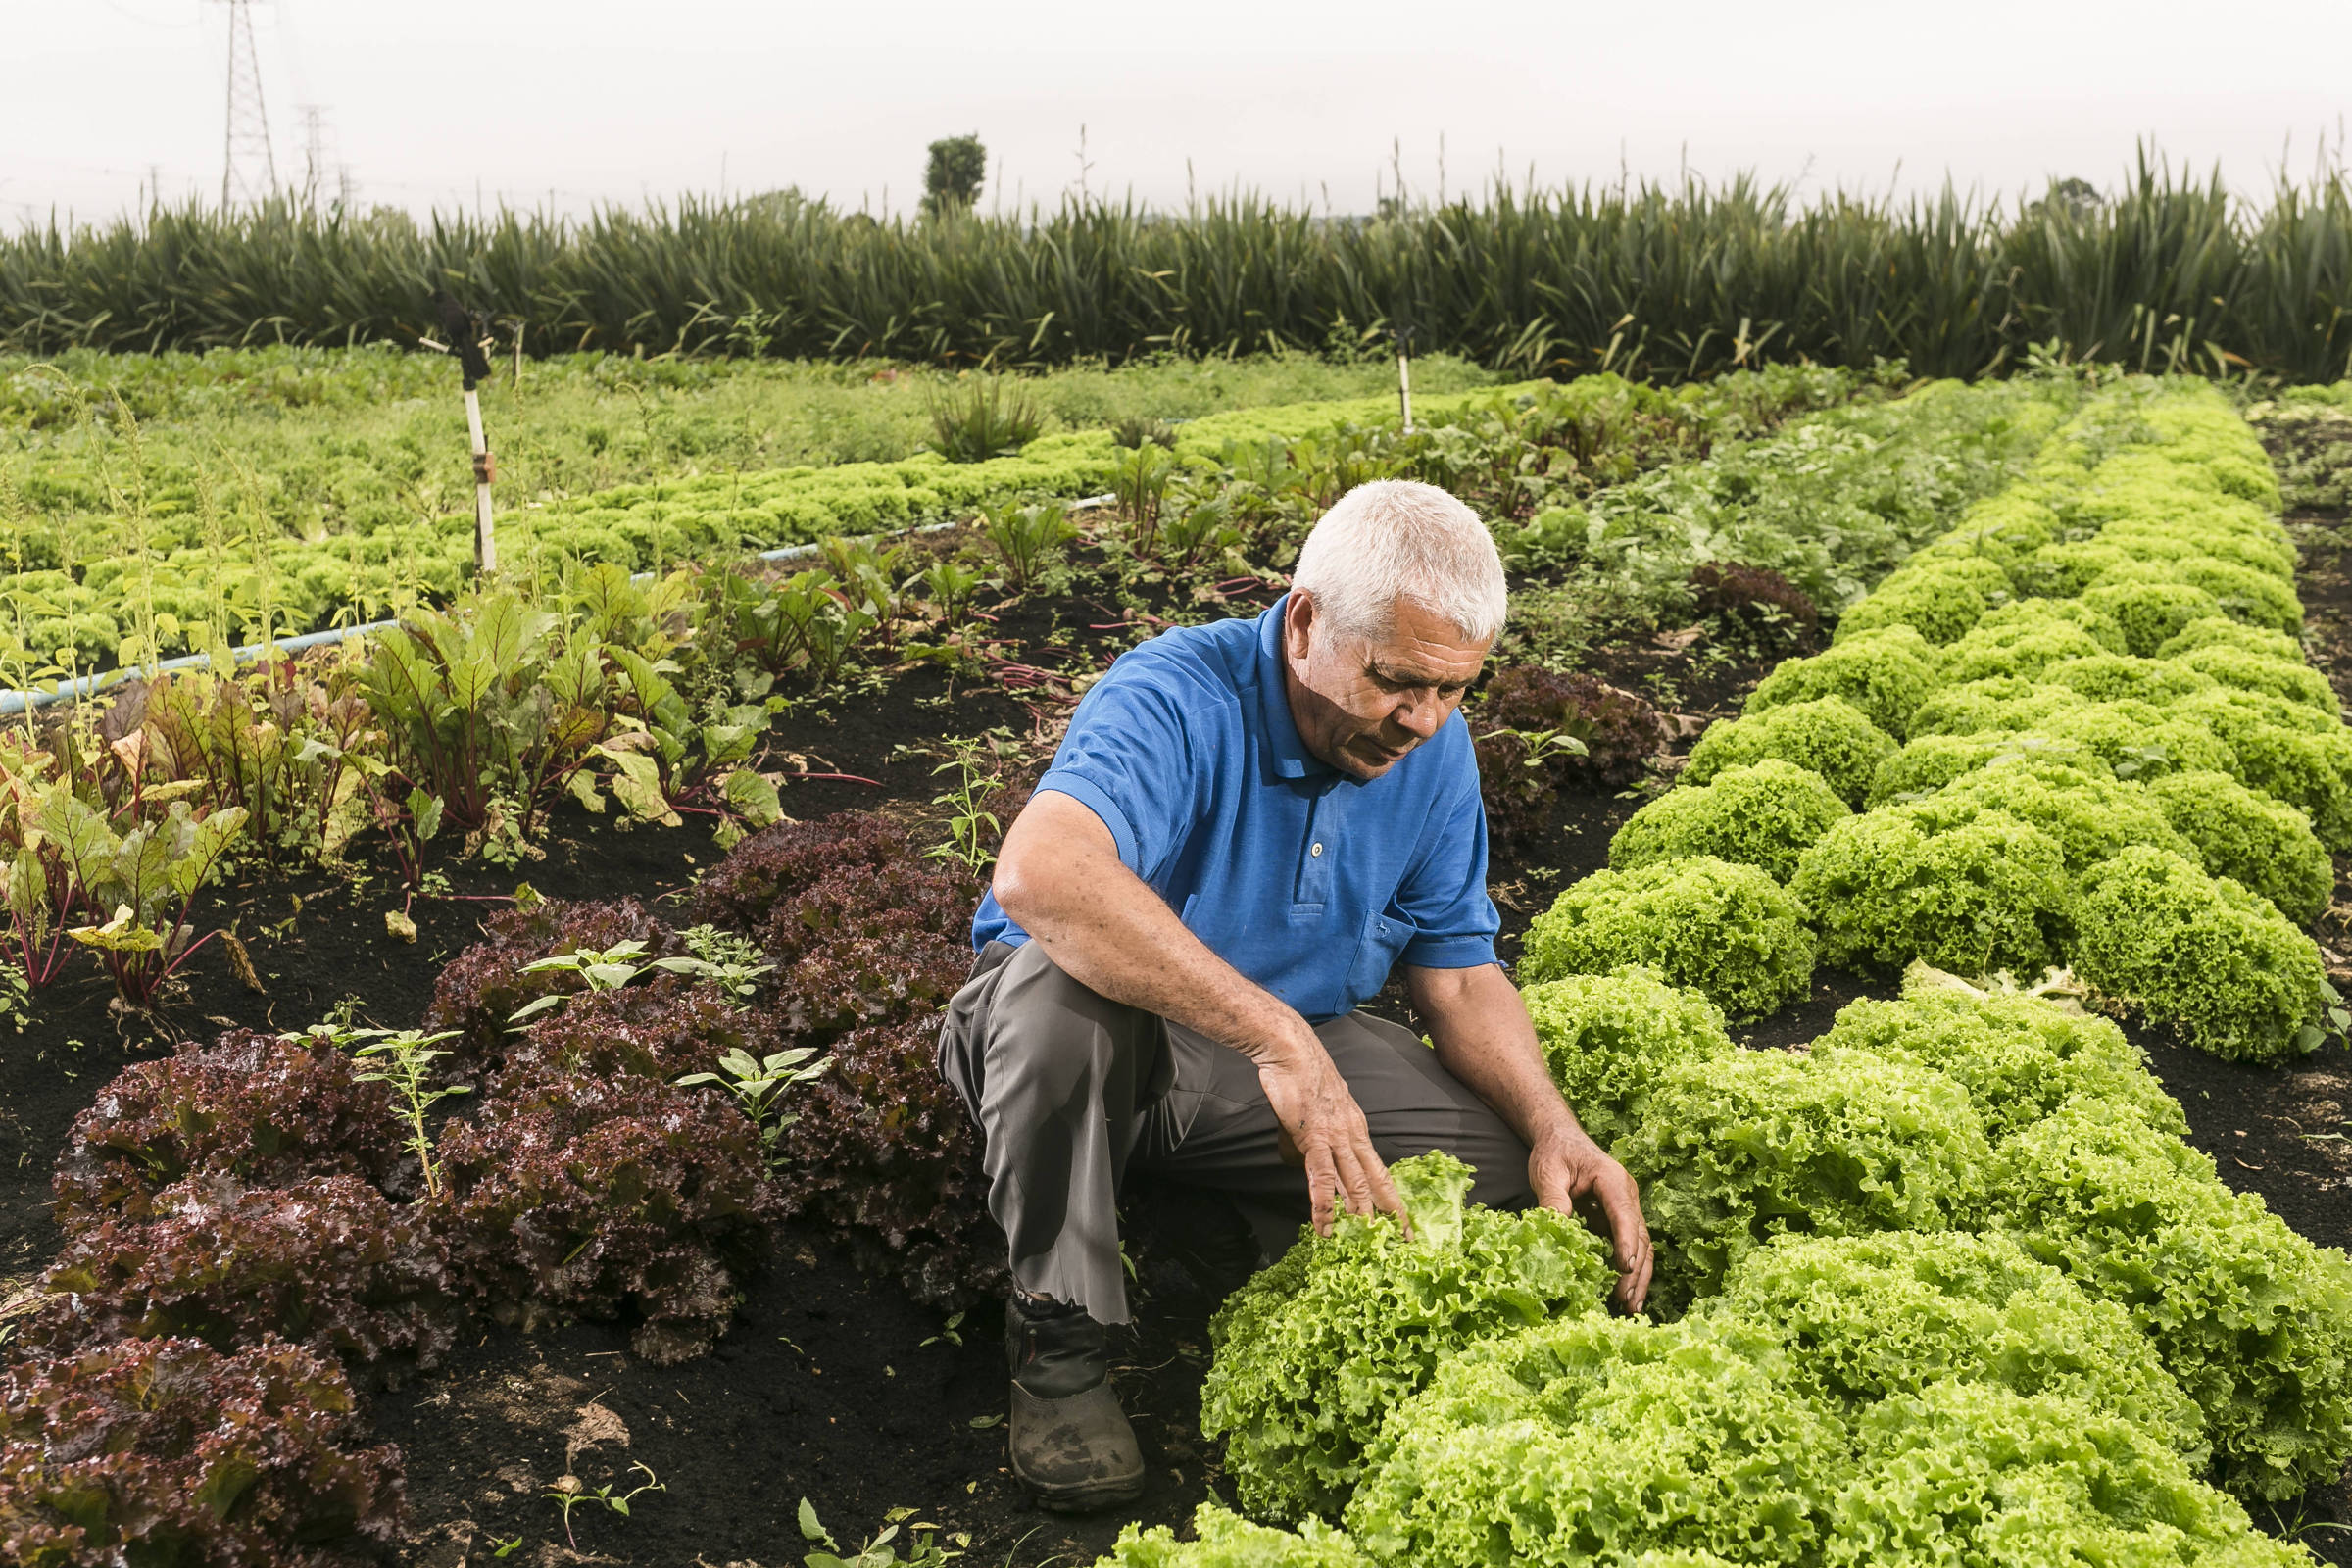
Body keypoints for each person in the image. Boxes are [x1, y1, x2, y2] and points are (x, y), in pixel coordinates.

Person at [935, 478, 1652, 1511]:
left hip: (1276, 1053)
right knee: (1056, 1005)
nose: (1424, 719)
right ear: (1307, 620)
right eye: (1399, 680)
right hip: (1101, 1044)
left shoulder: (1433, 748)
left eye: (1454, 689)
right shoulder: (1177, 693)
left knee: (1494, 1158)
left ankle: (1255, 1236)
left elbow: (1455, 967)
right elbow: (1040, 876)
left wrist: (1554, 1123)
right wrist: (1277, 1040)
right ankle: (1061, 1338)